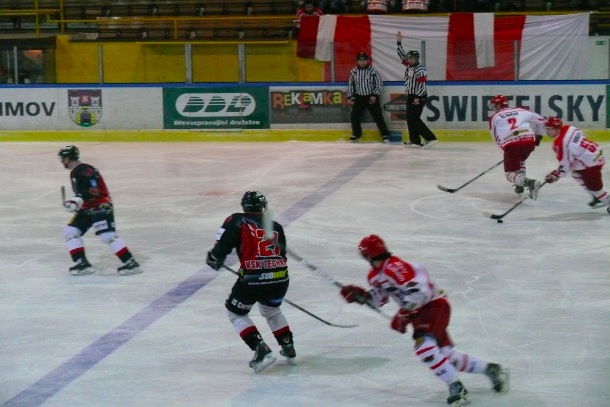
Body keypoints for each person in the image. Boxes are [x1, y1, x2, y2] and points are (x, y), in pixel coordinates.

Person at [340, 234, 509, 407]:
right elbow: (379, 299)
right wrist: (361, 296)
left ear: (368, 255)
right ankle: (492, 370)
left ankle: (457, 389)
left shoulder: (395, 267)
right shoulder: (375, 275)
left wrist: (403, 313)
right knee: (445, 356)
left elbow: (421, 293)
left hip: (433, 306)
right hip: (418, 313)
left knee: (424, 347)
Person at [206, 191, 296, 373]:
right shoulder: (276, 226)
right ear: (263, 207)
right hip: (280, 278)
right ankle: (288, 346)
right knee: (271, 310)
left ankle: (260, 348)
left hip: (253, 279)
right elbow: (281, 255)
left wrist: (215, 258)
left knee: (235, 313)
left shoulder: (236, 220)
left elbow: (222, 244)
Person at [58, 145, 141, 276]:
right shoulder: (76, 171)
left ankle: (130, 263)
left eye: (63, 158)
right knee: (70, 232)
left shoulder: (84, 169)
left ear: (68, 158)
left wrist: (75, 202)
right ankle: (82, 263)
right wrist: (74, 203)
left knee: (107, 235)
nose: (62, 161)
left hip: (100, 206)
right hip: (87, 207)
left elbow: (94, 191)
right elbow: (84, 193)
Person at [543, 117, 609, 214]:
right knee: (575, 174)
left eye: (549, 129)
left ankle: (601, 197)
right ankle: (597, 196)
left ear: (556, 129)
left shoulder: (560, 143)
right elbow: (582, 136)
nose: (547, 131)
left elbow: (565, 165)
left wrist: (556, 175)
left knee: (595, 188)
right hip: (596, 152)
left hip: (590, 164)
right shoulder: (570, 128)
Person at [488, 94, 545, 198]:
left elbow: (495, 137)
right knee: (520, 160)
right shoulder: (521, 110)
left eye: (494, 106)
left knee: (509, 174)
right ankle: (520, 184)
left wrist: (505, 150)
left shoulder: (494, 117)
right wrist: (539, 136)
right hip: (529, 142)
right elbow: (542, 120)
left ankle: (529, 182)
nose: (493, 108)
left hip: (512, 145)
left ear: (498, 105)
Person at [396, 31, 438, 149]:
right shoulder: (409, 66)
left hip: (419, 96)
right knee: (410, 119)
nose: (409, 60)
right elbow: (401, 55)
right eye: (409, 58)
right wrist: (399, 43)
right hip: (412, 96)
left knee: (414, 118)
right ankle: (414, 140)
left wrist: (418, 97)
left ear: (416, 59)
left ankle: (430, 138)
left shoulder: (420, 69)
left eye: (412, 58)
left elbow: (422, 85)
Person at [347, 52, 391, 142]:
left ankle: (385, 135)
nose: (362, 62)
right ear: (357, 62)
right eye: (360, 60)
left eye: (364, 60)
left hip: (371, 97)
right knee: (355, 116)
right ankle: (356, 134)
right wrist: (350, 97)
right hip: (359, 97)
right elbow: (351, 84)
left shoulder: (372, 71)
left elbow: (379, 84)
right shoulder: (354, 71)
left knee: (378, 116)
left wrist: (374, 95)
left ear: (367, 61)